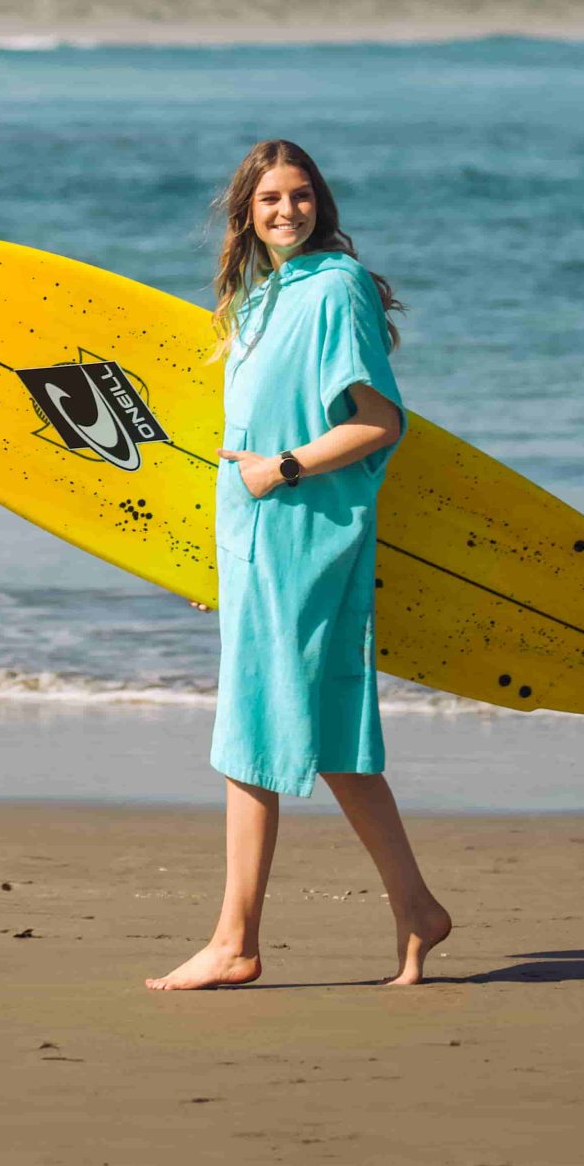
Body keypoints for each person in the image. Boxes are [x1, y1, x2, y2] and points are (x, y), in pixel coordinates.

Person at [147, 139, 454, 991]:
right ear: (247, 211)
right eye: (271, 199)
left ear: (322, 202)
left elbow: (379, 422)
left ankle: (235, 940)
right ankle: (418, 908)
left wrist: (278, 469)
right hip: (255, 540)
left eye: (302, 194)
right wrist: (225, 565)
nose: (289, 210)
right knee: (329, 737)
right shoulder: (254, 299)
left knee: (250, 731)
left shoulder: (337, 287)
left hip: (306, 532)